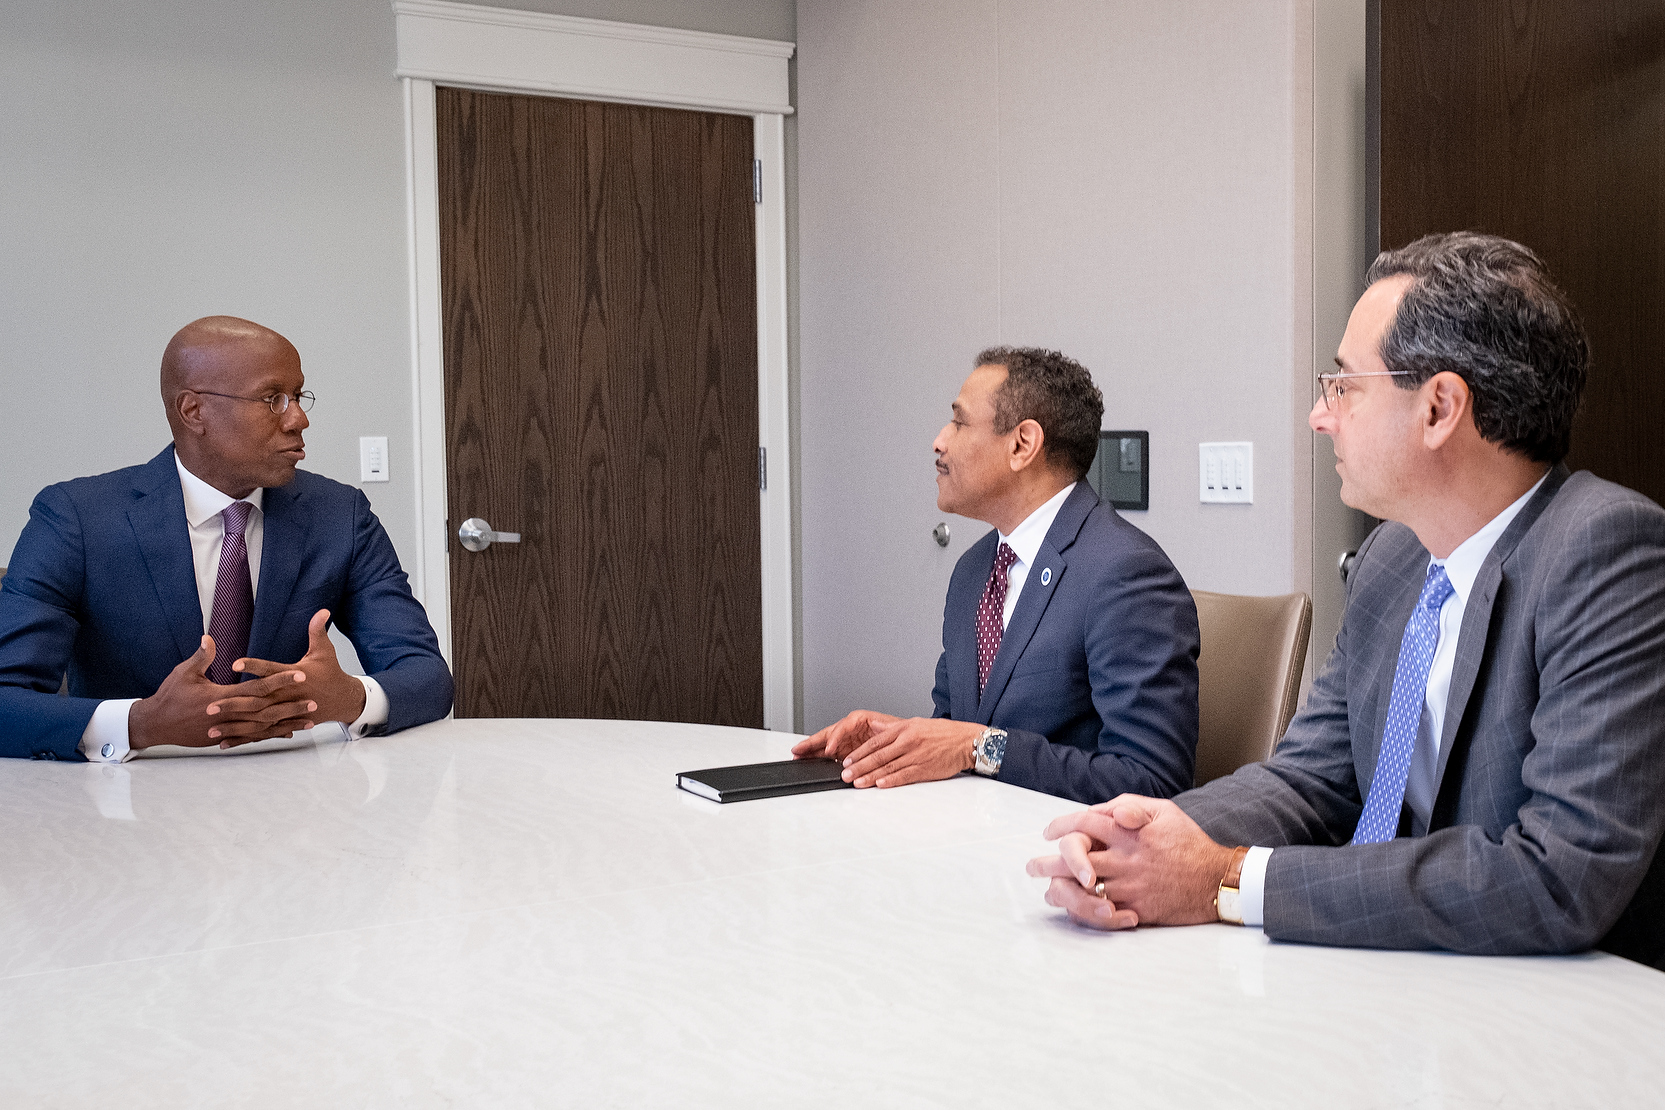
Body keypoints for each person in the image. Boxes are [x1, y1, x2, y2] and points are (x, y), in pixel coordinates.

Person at [1029, 233, 1665, 970]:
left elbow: (1557, 877)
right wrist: (1145, 833)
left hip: (1560, 1011)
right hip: (1392, 967)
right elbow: (1310, 778)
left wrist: (1226, 878)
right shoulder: (1391, 559)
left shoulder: (1607, 552)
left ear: (1438, 408)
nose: (1319, 416)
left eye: (1343, 386)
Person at [0, 316, 454, 760]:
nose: (299, 419)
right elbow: (6, 700)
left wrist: (351, 697)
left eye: (298, 396)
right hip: (122, 802)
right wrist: (141, 724)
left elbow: (427, 675)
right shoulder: (76, 519)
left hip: (292, 796)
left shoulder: (340, 515)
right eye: (273, 398)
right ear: (194, 411)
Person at [793, 347, 1198, 803]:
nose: (939, 441)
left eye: (960, 423)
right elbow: (957, 732)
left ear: (1022, 445)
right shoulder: (973, 570)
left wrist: (979, 747)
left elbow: (1152, 782)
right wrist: (894, 742)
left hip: (1064, 858)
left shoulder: (1125, 574)